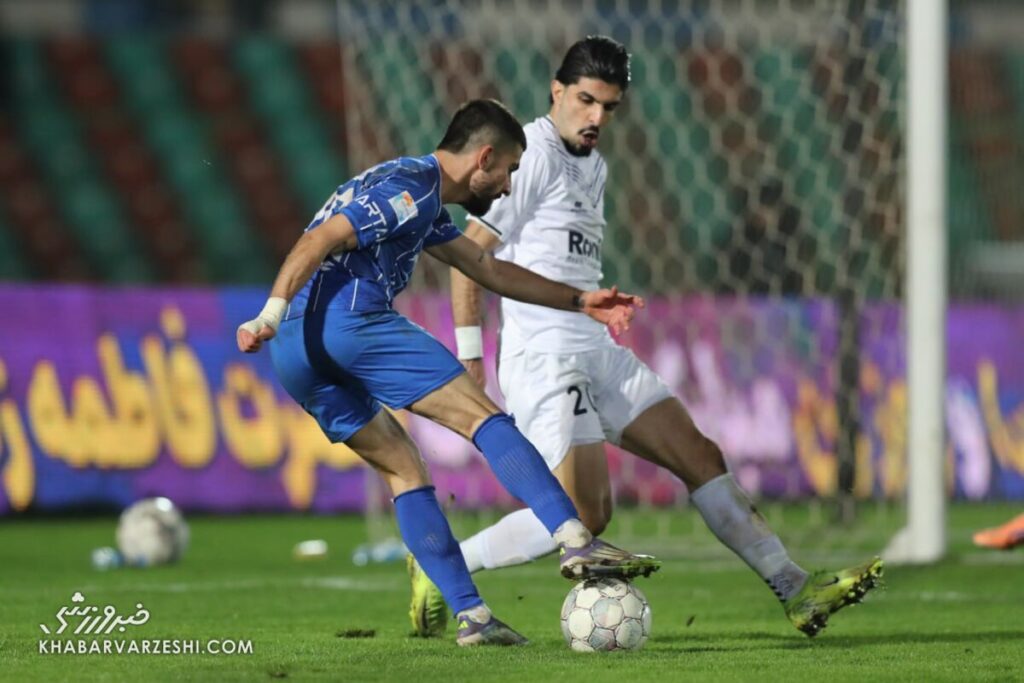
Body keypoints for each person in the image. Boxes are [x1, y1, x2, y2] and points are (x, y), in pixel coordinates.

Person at [410, 37, 883, 639]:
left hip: (595, 347)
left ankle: (795, 588)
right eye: (586, 101)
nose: (596, 118)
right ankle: (441, 562)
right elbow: (469, 258)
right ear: (557, 91)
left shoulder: (593, 165)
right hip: (546, 357)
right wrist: (472, 356)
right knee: (585, 515)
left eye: (609, 107)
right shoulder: (531, 157)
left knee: (700, 456)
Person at [236, 98, 659, 647]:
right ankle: (575, 537)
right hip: (346, 321)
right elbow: (318, 240)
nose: (507, 186)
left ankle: (472, 616)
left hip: (296, 354)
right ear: (484, 158)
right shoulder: (410, 189)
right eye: (507, 170)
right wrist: (267, 314)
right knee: (483, 417)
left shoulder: (423, 201)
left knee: (404, 470)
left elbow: (485, 267)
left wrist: (579, 300)